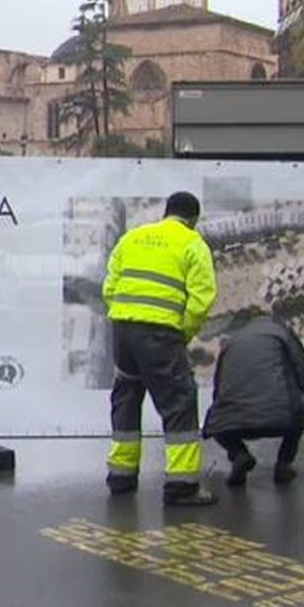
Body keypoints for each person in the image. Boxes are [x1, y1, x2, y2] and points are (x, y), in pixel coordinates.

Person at [103, 191, 219, 506]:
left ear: (166, 212)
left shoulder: (133, 237)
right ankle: (181, 486)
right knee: (179, 401)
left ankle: (121, 476)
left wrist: (125, 316)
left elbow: (109, 286)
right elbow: (201, 300)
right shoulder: (193, 244)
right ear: (193, 219)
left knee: (126, 396)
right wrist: (181, 333)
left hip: (123, 330)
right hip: (159, 333)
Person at [202, 317, 304, 486]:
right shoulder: (281, 334)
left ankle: (239, 453)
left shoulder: (230, 342)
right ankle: (284, 463)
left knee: (219, 418)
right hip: (280, 418)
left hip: (230, 423)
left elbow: (218, 391)